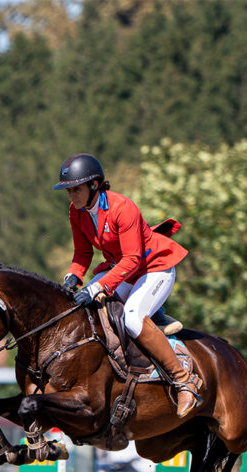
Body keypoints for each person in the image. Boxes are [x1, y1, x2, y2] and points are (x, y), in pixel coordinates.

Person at [53, 152, 203, 418]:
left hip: (154, 268)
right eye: (68, 190)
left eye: (76, 189)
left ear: (94, 185)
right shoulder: (76, 213)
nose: (71, 195)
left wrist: (98, 287)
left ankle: (184, 381)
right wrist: (73, 277)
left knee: (132, 318)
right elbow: (82, 254)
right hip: (126, 271)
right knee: (91, 309)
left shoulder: (123, 208)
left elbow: (133, 259)